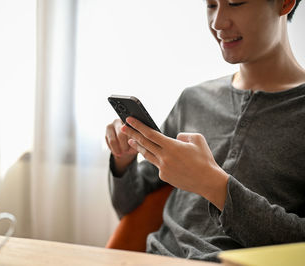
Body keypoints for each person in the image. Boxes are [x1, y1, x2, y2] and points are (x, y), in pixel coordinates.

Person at [105, 0, 305, 262]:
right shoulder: (194, 100)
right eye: (211, 5)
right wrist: (123, 160)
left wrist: (214, 186)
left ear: (285, 3)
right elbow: (130, 207)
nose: (217, 22)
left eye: (235, 3)